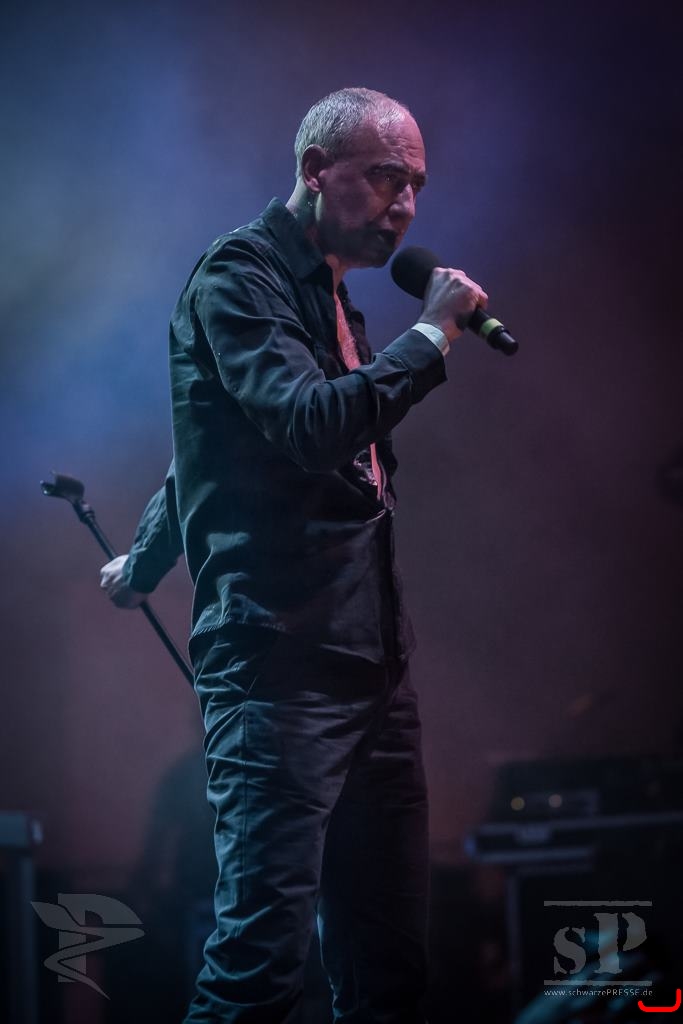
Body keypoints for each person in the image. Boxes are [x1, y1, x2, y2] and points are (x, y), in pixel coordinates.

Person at [101, 87, 488, 1024]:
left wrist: (144, 561)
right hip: (279, 667)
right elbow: (310, 426)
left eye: (416, 185)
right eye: (385, 178)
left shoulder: (328, 296)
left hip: (371, 665)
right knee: (259, 967)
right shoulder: (238, 276)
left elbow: (211, 449)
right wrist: (431, 334)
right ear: (316, 170)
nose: (404, 206)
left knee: (388, 971)